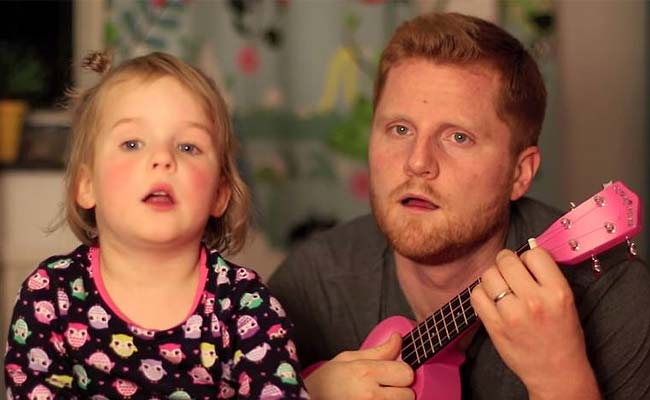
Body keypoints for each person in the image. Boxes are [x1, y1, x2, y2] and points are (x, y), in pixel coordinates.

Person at [268, 12, 650, 400]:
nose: (417, 162)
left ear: (520, 174)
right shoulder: (313, 284)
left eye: (458, 137)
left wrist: (560, 379)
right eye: (400, 129)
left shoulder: (613, 296)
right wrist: (303, 393)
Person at [4, 51, 308, 399]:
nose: (162, 158)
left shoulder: (247, 305)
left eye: (188, 147)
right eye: (132, 143)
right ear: (86, 185)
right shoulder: (49, 295)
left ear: (219, 194)